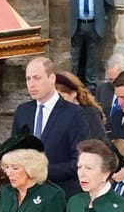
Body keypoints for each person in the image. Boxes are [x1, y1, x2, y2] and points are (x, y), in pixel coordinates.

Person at [12, 57, 94, 193]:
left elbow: (80, 161)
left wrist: (42, 172)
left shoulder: (73, 113)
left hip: (61, 192)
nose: (31, 84)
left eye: (37, 78)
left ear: (52, 79)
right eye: (28, 79)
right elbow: (15, 149)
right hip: (27, 192)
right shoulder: (23, 111)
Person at [68, 0, 113, 79]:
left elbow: (109, 3)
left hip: (94, 26)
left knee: (92, 58)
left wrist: (101, 17)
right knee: (74, 56)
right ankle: (72, 82)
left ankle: (91, 84)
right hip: (77, 25)